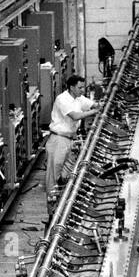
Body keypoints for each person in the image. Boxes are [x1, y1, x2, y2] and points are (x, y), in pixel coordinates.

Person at [44, 74, 99, 205]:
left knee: (67, 175)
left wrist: (100, 105)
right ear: (71, 87)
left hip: (70, 140)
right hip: (58, 140)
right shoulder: (62, 99)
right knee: (54, 177)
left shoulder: (79, 98)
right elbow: (75, 116)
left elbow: (93, 104)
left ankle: (62, 204)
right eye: (80, 88)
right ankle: (52, 213)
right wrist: (95, 111)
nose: (82, 90)